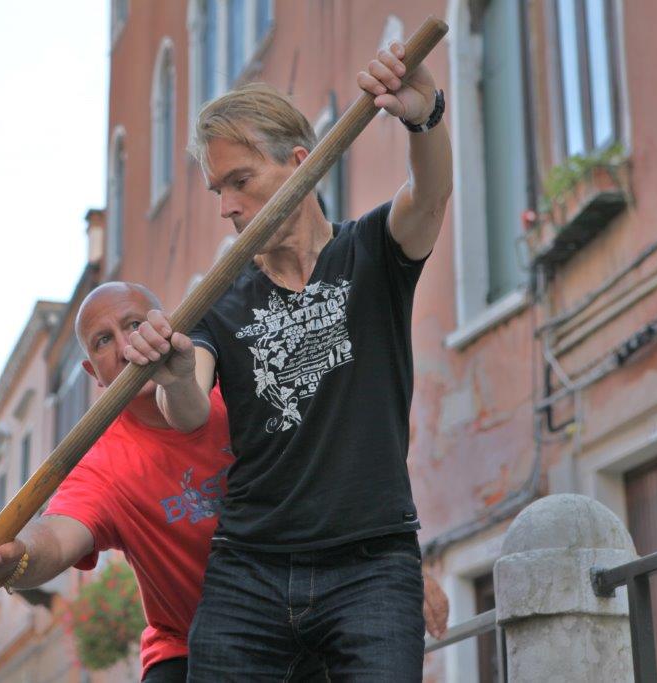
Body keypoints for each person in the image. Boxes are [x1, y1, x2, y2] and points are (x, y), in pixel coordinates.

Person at [123, 39, 452, 681]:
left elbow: (431, 195)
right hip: (250, 570)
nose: (227, 207)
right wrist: (169, 372)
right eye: (218, 190)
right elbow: (187, 408)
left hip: (373, 564)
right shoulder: (219, 296)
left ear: (300, 165)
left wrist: (425, 115)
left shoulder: (372, 254)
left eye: (240, 182)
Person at [0, 281, 448, 681]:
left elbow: (336, 472)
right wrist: (11, 557)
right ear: (92, 371)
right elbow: (56, 535)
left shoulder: (249, 387)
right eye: (104, 342)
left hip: (313, 620)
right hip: (186, 647)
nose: (125, 347)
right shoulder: (104, 461)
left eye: (134, 325)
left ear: (165, 326)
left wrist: (394, 571)